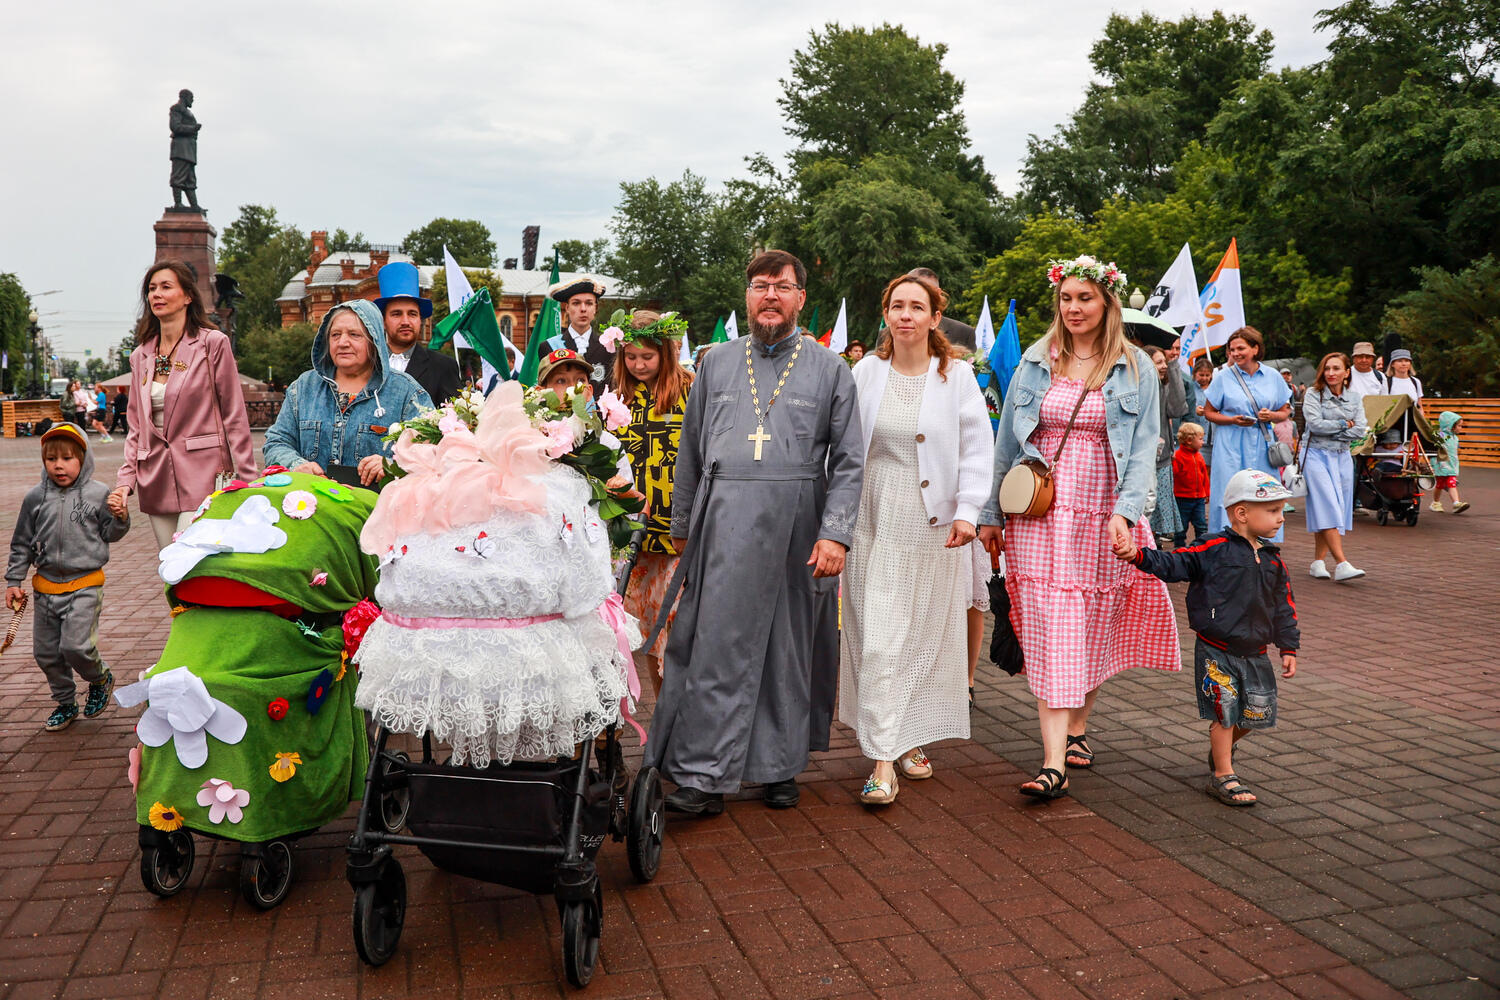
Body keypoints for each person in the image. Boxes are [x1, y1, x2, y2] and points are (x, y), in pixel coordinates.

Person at [645, 250, 863, 816]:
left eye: (782, 286)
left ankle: (778, 766)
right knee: (715, 647)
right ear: (747, 296)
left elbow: (849, 462)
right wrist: (683, 525)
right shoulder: (716, 362)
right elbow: (690, 453)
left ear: (800, 298)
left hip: (799, 526)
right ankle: (703, 776)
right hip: (723, 523)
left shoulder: (830, 369)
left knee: (786, 649)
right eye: (760, 285)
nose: (770, 295)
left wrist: (836, 534)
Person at [977, 255, 1180, 801]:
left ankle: (1078, 726)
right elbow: (1007, 441)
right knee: (1054, 628)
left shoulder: (1135, 367)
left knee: (1089, 624)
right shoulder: (1035, 359)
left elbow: (1143, 450)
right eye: (1065, 298)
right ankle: (1052, 764)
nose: (1073, 308)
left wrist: (1126, 513)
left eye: (1084, 298)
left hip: (1101, 514)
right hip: (1040, 514)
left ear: (1107, 302)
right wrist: (991, 513)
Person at [841, 273, 991, 805]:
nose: (906, 315)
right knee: (880, 637)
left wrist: (968, 512)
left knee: (923, 635)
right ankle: (883, 758)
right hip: (873, 519)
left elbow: (977, 449)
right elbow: (842, 445)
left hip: (934, 528)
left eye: (916, 307)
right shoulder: (865, 371)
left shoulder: (957, 377)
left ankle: (906, 739)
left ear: (934, 317)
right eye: (897, 306)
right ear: (886, 315)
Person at [1116, 469, 1299, 807]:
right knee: (1224, 712)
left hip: (1256, 652)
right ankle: (1223, 774)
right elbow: (1174, 563)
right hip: (1216, 649)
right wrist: (1137, 555)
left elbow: (1284, 607)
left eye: (1281, 511)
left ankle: (1221, 749)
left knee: (1256, 714)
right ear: (1241, 513)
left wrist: (1289, 646)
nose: (1280, 518)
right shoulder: (1213, 547)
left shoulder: (1273, 560)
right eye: (1273, 511)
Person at [109, 260, 258, 550]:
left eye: (166, 287)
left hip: (205, 474)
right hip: (155, 478)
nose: (157, 294)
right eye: (152, 289)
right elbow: (136, 428)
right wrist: (125, 482)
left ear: (188, 296)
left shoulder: (212, 344)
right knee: (170, 567)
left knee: (191, 561)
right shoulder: (141, 356)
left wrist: (250, 481)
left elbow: (234, 416)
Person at [6, 424, 130, 732]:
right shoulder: (35, 497)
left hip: (85, 584)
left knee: (75, 646)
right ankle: (65, 702)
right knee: (46, 653)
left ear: (83, 459)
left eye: (67, 458)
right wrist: (14, 581)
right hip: (45, 588)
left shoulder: (98, 493)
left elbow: (111, 534)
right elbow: (21, 542)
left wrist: (120, 517)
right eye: (51, 459)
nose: (58, 466)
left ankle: (100, 678)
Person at [611, 310, 694, 693]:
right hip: (637, 531)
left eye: (648, 356)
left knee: (678, 623)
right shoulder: (616, 398)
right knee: (649, 625)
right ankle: (663, 710)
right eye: (631, 357)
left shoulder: (690, 389)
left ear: (665, 352)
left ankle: (683, 709)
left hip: (679, 529)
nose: (639, 364)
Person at [263, 299, 432, 486]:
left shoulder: (407, 392)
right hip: (309, 501)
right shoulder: (304, 387)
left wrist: (392, 465)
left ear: (374, 340)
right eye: (335, 335)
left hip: (377, 504)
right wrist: (296, 465)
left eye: (354, 334)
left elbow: (431, 452)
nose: (343, 342)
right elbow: (276, 442)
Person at [1201, 327, 1293, 541]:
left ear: (1255, 349)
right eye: (1232, 350)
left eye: (1240, 348)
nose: (1235, 353)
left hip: (1262, 442)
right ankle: (1226, 542)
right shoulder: (1223, 377)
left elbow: (1285, 411)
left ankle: (1264, 542)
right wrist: (1232, 420)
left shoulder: (1273, 376)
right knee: (1228, 492)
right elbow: (1208, 412)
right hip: (1230, 442)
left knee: (1264, 491)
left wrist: (1271, 415)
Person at [1303, 353, 1367, 581]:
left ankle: (1318, 562)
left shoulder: (1355, 397)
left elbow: (1360, 429)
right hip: (1315, 454)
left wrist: (1336, 430)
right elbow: (1315, 425)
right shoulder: (1313, 394)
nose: (1331, 373)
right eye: (1327, 368)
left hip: (1342, 456)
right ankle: (1341, 563)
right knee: (1328, 504)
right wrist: (1344, 424)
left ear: (1346, 372)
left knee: (1336, 507)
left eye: (1336, 368)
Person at [375, 261, 461, 407]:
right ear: (383, 321)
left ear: (420, 320)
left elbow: (454, 418)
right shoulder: (369, 363)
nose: (405, 321)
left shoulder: (443, 366)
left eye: (412, 314)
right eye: (396, 314)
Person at [1144, 346, 1184, 545]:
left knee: (1160, 504)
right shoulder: (1137, 388)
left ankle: (1155, 545)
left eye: (1164, 362)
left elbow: (1178, 409)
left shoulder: (1165, 386)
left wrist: (1174, 367)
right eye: (1158, 362)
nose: (1164, 366)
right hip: (1143, 456)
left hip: (1162, 456)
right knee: (1146, 504)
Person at [548, 275, 614, 396]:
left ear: (595, 308)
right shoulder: (549, 346)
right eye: (576, 303)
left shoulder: (608, 347)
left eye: (589, 303)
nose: (583, 309)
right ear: (567, 308)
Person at [907, 267, 976, 352]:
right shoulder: (893, 331)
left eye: (925, 291)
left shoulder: (963, 333)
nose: (917, 296)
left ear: (938, 293)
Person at [1172, 422, 1210, 549]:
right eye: (1200, 439)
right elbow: (1174, 475)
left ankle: (1202, 547)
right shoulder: (1178, 456)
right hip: (1182, 498)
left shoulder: (1199, 456)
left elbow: (1204, 476)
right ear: (1189, 440)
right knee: (1181, 526)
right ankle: (1179, 547)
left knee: (1201, 525)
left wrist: (1206, 492)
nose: (1203, 442)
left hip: (1198, 498)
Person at [1430, 411, 1470, 514]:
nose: (1461, 428)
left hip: (1452, 465)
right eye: (1459, 426)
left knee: (1452, 483)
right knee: (1439, 485)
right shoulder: (1440, 435)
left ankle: (1456, 503)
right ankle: (1435, 503)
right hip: (1441, 465)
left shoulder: (1455, 438)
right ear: (1450, 426)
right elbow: (1434, 445)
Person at [168, 89, 201, 211]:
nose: (192, 100)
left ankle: (194, 205)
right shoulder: (176, 109)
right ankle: (178, 203)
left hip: (189, 149)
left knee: (190, 178)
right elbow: (175, 127)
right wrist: (193, 129)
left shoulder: (187, 111)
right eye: (191, 98)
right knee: (179, 176)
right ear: (185, 97)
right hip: (181, 148)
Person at [1384, 349, 1423, 445]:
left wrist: (1422, 424)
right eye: (1399, 361)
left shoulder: (1415, 382)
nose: (1403, 364)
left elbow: (1419, 406)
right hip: (1393, 423)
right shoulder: (1387, 382)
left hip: (1412, 422)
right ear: (1392, 364)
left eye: (1406, 361)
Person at [1190, 360, 1216, 469]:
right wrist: (1194, 410)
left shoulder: (1215, 388)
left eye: (1207, 375)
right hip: (1196, 435)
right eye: (1201, 375)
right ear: (1195, 373)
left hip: (1213, 437)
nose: (1204, 378)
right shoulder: (1190, 388)